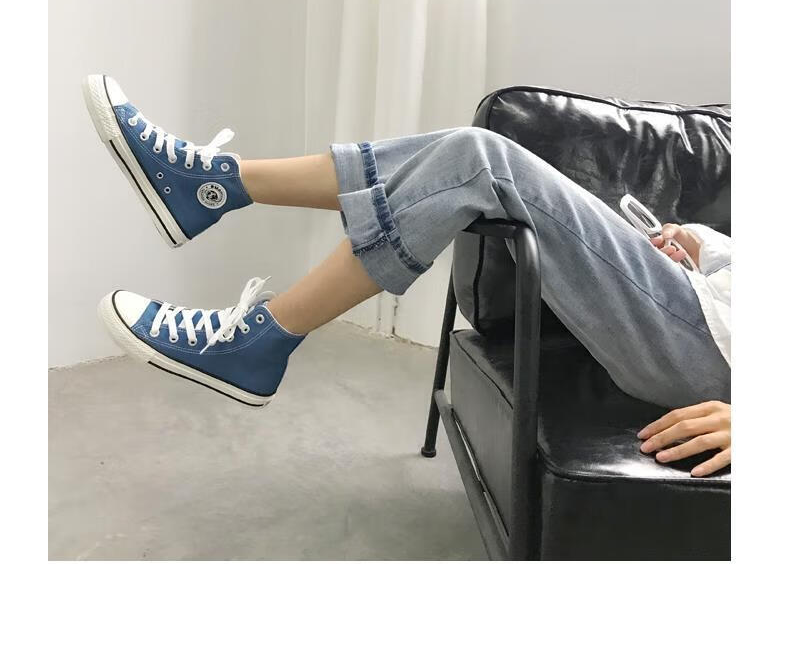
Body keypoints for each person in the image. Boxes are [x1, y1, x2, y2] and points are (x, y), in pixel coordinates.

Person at [83, 75, 732, 478]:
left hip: (714, 348)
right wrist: (704, 245)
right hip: (700, 300)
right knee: (461, 155)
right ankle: (213, 189)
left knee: (479, 160)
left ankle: (249, 309)